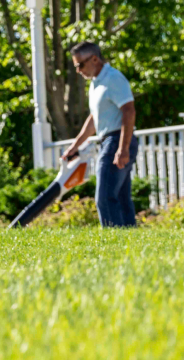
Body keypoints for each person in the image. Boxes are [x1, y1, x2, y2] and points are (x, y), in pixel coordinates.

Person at [64, 41, 140, 227]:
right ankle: (132, 246)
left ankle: (114, 245)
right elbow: (94, 120)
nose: (78, 70)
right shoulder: (96, 84)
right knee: (121, 198)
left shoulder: (113, 78)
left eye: (80, 65)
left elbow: (129, 111)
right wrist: (75, 147)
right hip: (109, 140)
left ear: (95, 59)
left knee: (105, 198)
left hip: (116, 141)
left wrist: (122, 148)